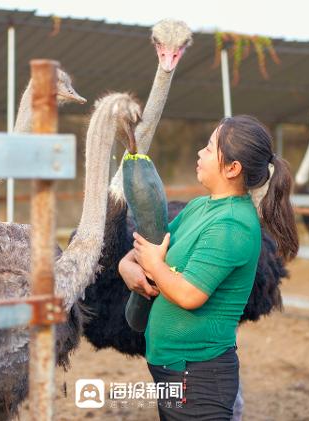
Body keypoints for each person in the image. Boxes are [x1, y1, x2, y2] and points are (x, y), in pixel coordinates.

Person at [118, 115, 299, 420]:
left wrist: (152, 264)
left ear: (232, 168)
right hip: (173, 367)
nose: (200, 153)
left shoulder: (232, 224)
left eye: (209, 147)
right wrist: (127, 265)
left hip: (200, 376)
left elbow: (189, 294)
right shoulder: (201, 207)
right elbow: (152, 244)